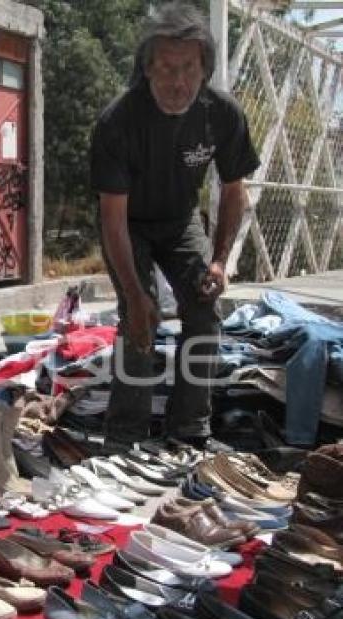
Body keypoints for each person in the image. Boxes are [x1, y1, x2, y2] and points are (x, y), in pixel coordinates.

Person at [90, 2, 259, 447]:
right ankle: (124, 438)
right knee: (138, 317)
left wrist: (220, 261)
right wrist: (134, 291)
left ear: (204, 68)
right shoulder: (118, 122)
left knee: (204, 310)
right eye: (165, 68)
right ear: (147, 69)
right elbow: (112, 216)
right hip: (129, 224)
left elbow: (234, 188)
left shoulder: (222, 114)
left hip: (182, 221)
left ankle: (188, 432)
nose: (177, 82)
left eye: (188, 68)